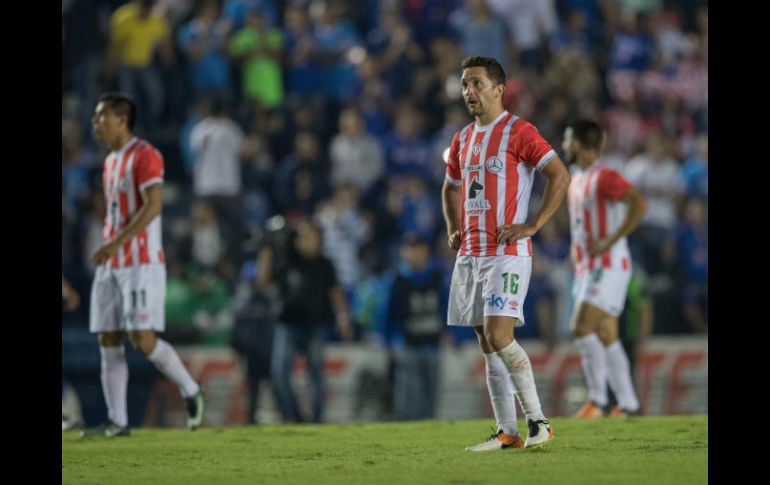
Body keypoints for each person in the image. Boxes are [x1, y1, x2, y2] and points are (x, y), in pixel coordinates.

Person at [442, 56, 570, 451]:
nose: (469, 91)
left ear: (499, 89)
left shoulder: (520, 131)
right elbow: (450, 187)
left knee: (500, 335)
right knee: (487, 342)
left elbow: (559, 175)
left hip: (506, 251)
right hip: (471, 255)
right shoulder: (462, 138)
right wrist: (452, 227)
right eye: (465, 84)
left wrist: (533, 225)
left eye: (477, 83)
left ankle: (539, 421)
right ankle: (506, 432)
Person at [81, 93, 204, 438]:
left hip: (140, 263)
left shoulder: (146, 154)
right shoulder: (110, 161)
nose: (95, 123)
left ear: (122, 119)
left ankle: (191, 389)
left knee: (142, 340)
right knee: (108, 336)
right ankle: (117, 421)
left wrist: (116, 242)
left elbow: (153, 207)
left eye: (102, 116)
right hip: (111, 262)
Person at [562, 119, 648, 418]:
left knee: (580, 326)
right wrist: (575, 248)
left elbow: (639, 204)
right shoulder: (576, 178)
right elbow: (580, 223)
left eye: (567, 140)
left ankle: (597, 401)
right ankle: (628, 404)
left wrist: (612, 238)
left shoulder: (605, 176)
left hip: (610, 265)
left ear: (577, 143)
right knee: (606, 333)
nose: (564, 145)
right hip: (587, 267)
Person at [259, 220, 353, 423]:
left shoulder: (325, 265)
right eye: (301, 237)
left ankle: (317, 419)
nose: (305, 241)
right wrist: (265, 251)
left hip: (315, 325)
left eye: (310, 236)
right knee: (279, 373)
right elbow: (264, 282)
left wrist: (343, 318)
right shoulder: (287, 262)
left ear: (319, 240)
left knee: (316, 375)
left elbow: (335, 293)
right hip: (288, 324)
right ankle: (292, 416)